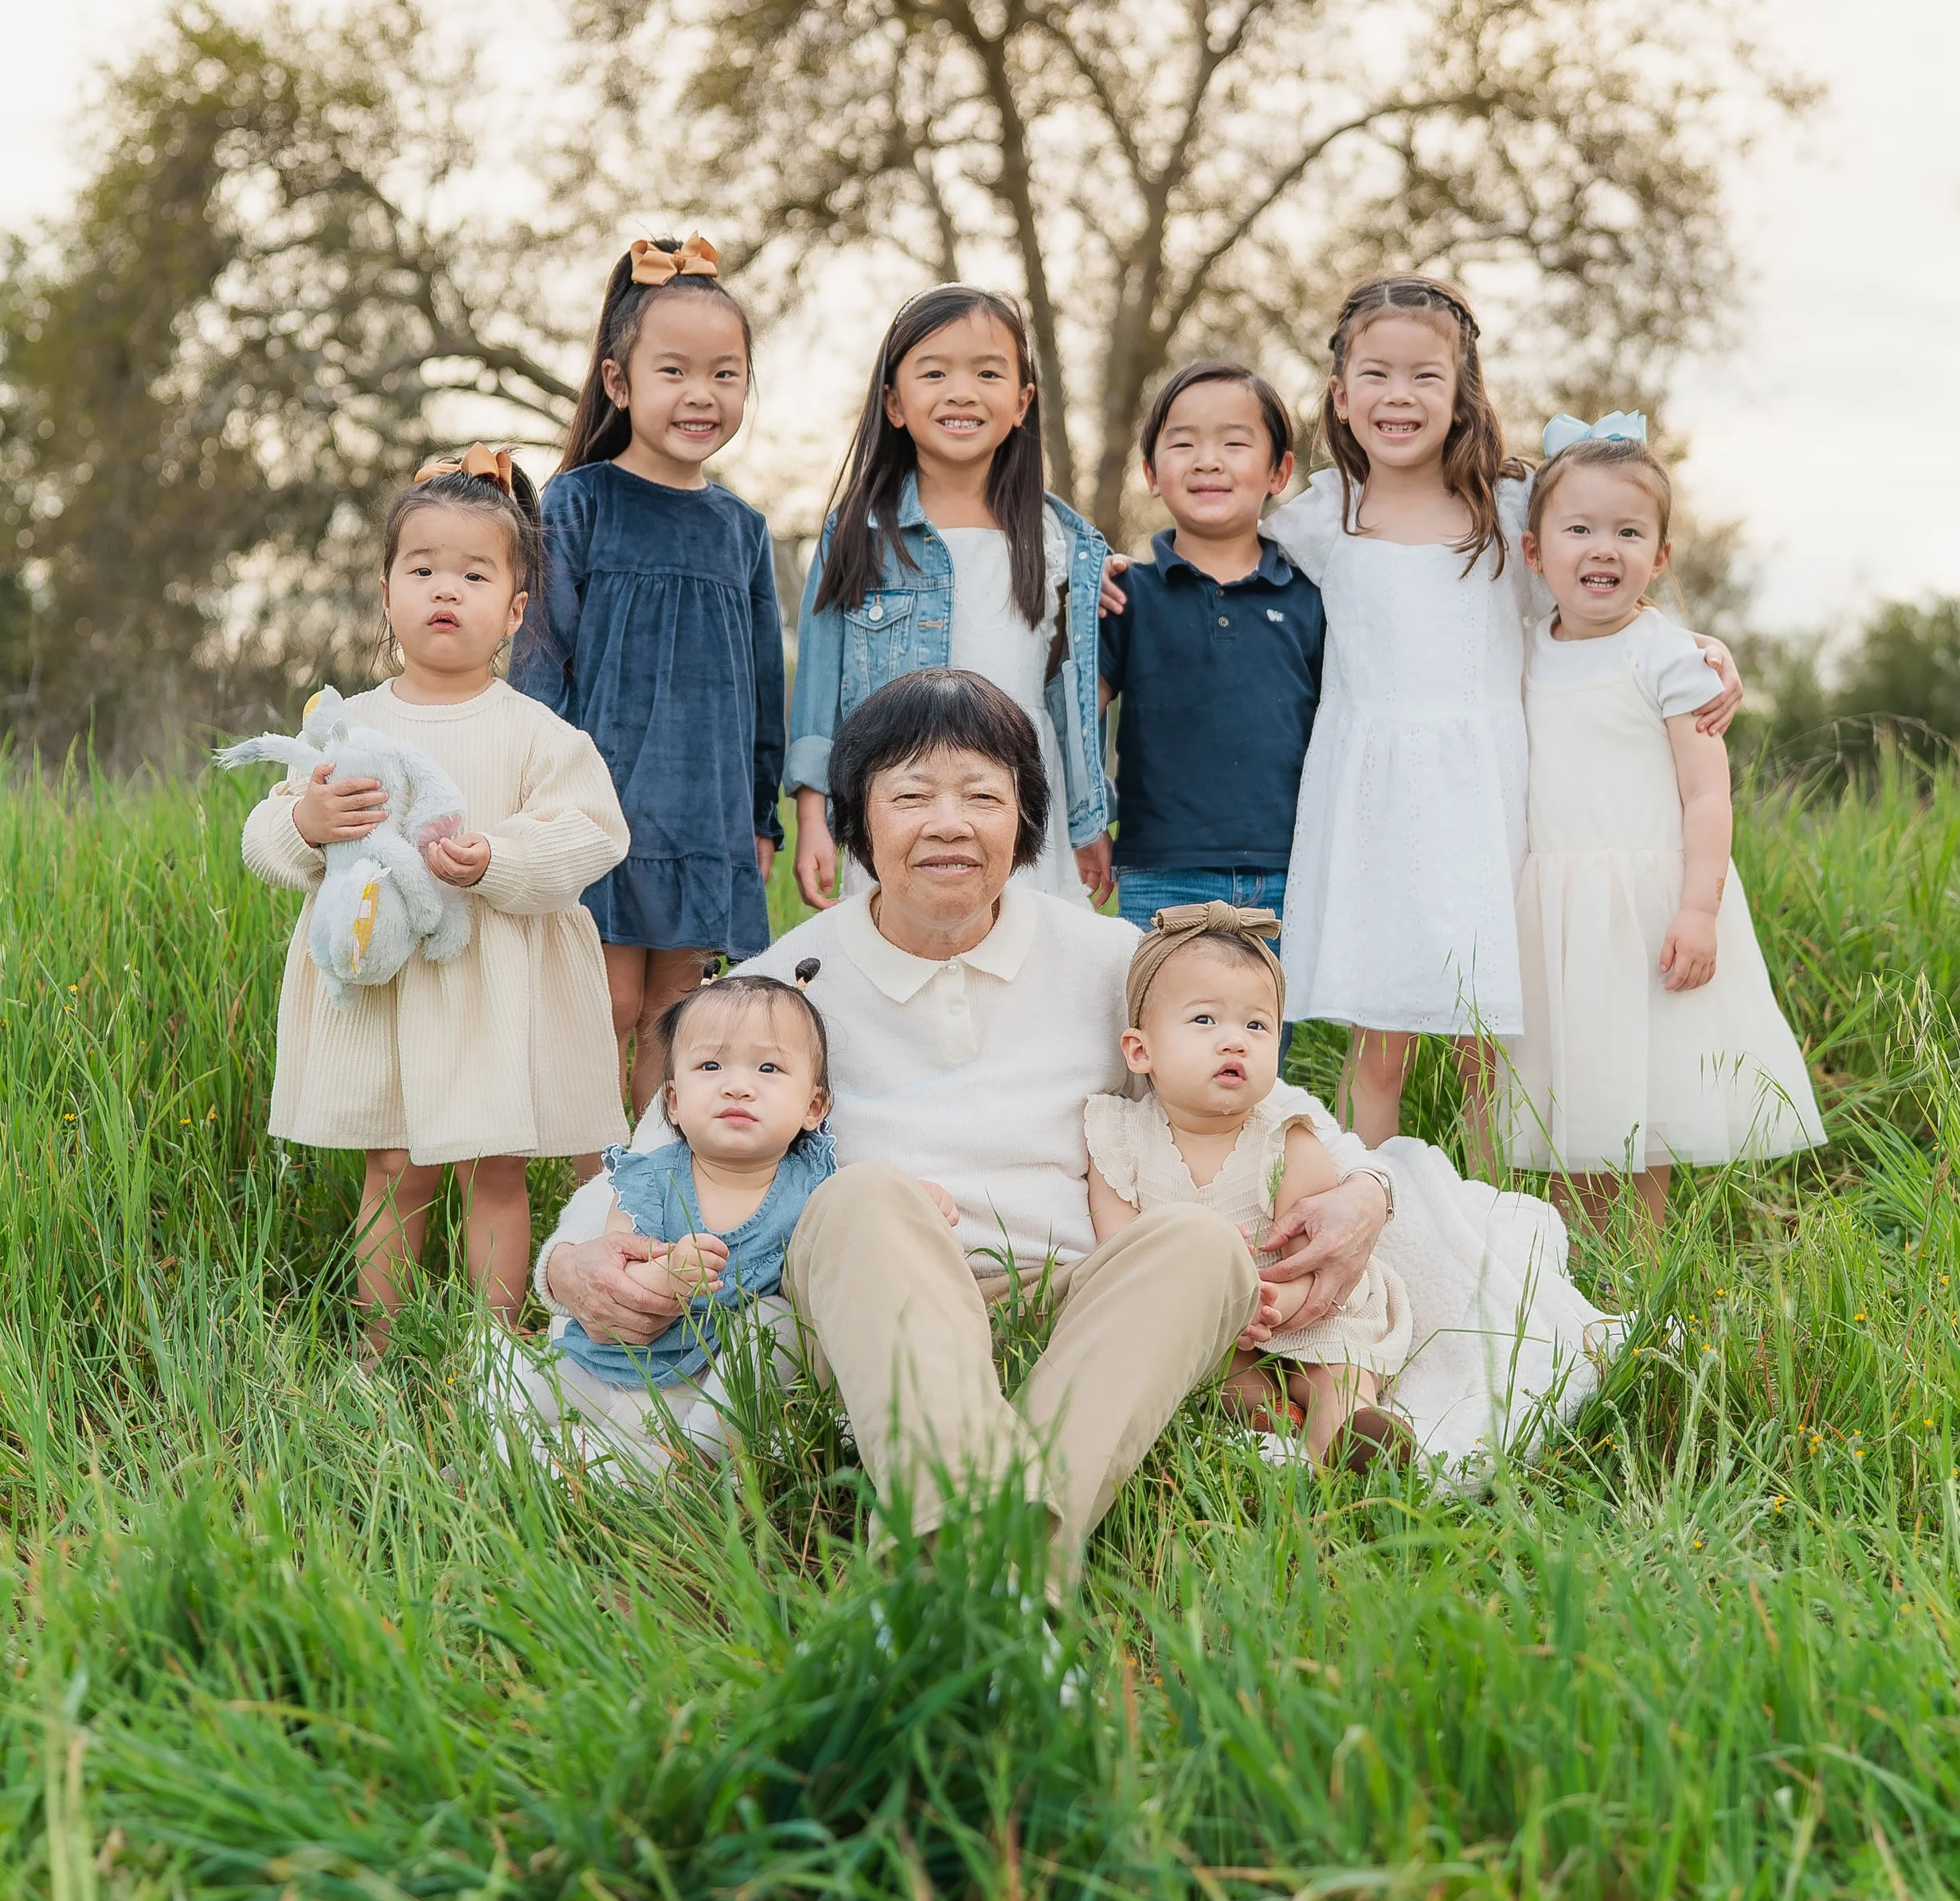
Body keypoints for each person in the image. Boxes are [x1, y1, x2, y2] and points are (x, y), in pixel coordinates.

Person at [536, 668, 1397, 1591]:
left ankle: (985, 1569)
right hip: (876, 1309)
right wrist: (568, 1263)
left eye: (982, 796)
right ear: (862, 821)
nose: (949, 824)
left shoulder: (1115, 962)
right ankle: (983, 1564)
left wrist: (1366, 1193)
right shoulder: (785, 984)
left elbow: (1263, 1103)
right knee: (866, 1194)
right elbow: (649, 1162)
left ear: (1022, 820)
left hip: (1073, 1303)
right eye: (911, 796)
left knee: (1196, 1245)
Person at [1262, 276, 1742, 1160]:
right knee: (1379, 1046)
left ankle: (1491, 1226)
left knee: (1490, 1043)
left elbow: (1597, 588)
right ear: (1339, 395)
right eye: (1375, 375)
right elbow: (1227, 564)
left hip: (1487, 799)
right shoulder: (1326, 512)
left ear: (1460, 393)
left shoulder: (1506, 506)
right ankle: (1364, 1205)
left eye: (1424, 378)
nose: (1397, 397)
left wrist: (1698, 642)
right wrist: (1125, 571)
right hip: (1369, 797)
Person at [240, 448, 629, 1341]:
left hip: (494, 991)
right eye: (422, 571)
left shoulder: (538, 732)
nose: (444, 591)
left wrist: (496, 855)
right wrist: (311, 820)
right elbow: (266, 840)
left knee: (494, 1168)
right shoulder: (350, 728)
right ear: (386, 593)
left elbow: (592, 834)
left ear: (515, 609)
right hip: (391, 990)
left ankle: (493, 1353)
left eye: (473, 574)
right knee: (394, 1164)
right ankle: (381, 1354)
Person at [1498, 418, 1825, 1226]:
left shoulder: (1669, 656)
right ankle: (1569, 1294)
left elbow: (1705, 795)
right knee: (1563, 1114)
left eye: (1628, 532)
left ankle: (1639, 1291)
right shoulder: (1517, 650)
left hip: (1646, 911)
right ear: (1534, 552)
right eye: (1578, 529)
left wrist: (1697, 907)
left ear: (1661, 557)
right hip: (1553, 917)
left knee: (1640, 1115)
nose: (1602, 549)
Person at [509, 236, 785, 1136]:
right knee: (609, 1006)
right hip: (603, 809)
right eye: (674, 371)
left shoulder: (740, 530)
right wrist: (535, 804)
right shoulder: (577, 504)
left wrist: (760, 819)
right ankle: (597, 1194)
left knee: (678, 1016)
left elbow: (763, 690)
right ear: (620, 383)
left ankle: (659, 1187)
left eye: (725, 374)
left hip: (704, 813)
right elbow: (540, 665)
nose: (701, 395)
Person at [787, 289, 1111, 913]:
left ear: (1022, 403)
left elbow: (1068, 697)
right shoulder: (860, 534)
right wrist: (812, 818)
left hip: (1018, 802)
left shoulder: (1061, 542)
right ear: (894, 402)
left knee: (1022, 970)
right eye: (934, 373)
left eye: (988, 373)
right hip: (902, 803)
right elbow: (819, 694)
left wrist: (1089, 819)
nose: (961, 391)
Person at [1085, 904, 1414, 1470]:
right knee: (1200, 1370)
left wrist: (1272, 1303)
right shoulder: (1118, 1138)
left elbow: (1314, 1262)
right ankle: (1266, 1412)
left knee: (1333, 1373)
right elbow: (1119, 1250)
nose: (1234, 1042)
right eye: (1205, 1021)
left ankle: (1342, 1455)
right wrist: (1214, 1308)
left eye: (1256, 1026)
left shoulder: (1288, 1143)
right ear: (1141, 1051)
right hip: (1192, 1317)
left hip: (1305, 1312)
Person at [494, 975, 839, 1475]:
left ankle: (691, 1461)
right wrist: (666, 1275)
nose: (737, 1085)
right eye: (710, 1065)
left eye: (769, 1068)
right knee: (530, 1399)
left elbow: (851, 1225)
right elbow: (617, 1268)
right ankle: (490, 1461)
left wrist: (915, 1199)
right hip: (612, 1363)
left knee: (778, 1326)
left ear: (814, 1106)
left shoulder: (812, 1182)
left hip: (713, 1382)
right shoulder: (650, 1179)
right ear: (672, 1101)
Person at [1093, 362, 1324, 933]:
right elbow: (1078, 714)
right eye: (1184, 443)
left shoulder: (1312, 600)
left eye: (1235, 442)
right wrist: (1089, 820)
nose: (1208, 460)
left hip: (1289, 871)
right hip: (1161, 871)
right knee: (1162, 1018)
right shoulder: (1126, 594)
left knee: (1260, 1025)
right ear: (1150, 471)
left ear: (1279, 471)